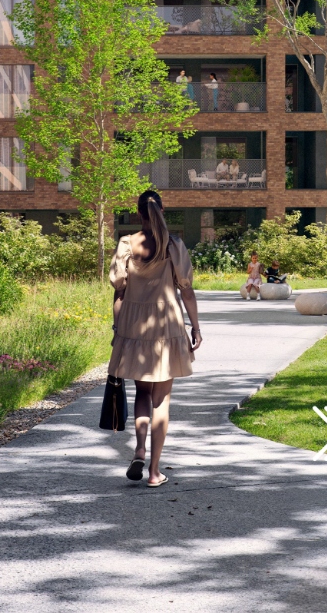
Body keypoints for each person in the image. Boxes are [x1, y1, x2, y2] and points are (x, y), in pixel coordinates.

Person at [108, 188, 201, 488]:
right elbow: (186, 290)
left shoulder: (126, 244)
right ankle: (154, 471)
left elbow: (119, 291)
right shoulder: (173, 245)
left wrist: (117, 330)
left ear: (138, 213)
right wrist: (195, 327)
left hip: (135, 328)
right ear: (162, 210)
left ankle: (138, 449)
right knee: (161, 401)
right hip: (167, 326)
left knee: (143, 395)